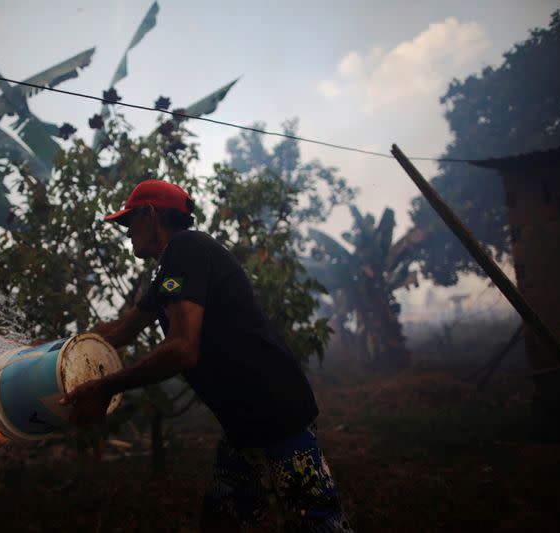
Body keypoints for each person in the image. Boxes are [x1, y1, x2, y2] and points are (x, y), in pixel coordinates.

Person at [60, 179, 353, 532]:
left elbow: (182, 349)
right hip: (245, 423)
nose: (126, 232)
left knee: (317, 522)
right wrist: (56, 352)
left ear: (151, 215)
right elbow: (122, 330)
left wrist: (105, 387)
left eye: (129, 221)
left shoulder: (187, 247)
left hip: (277, 413)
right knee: (223, 517)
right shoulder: (170, 272)